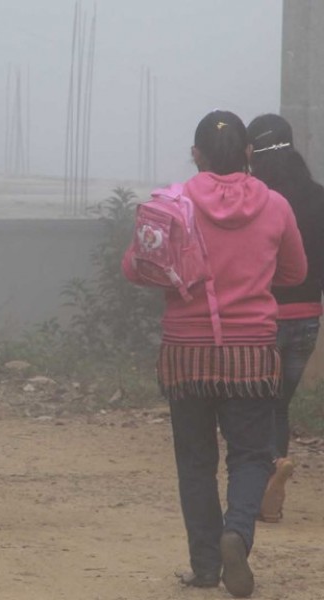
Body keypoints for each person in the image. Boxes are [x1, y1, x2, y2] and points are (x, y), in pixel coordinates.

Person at [122, 110, 306, 598]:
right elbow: (295, 273)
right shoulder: (276, 206)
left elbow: (135, 268)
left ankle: (205, 566)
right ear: (248, 154)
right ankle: (237, 534)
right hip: (250, 352)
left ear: (196, 156)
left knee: (195, 461)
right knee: (250, 456)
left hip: (185, 353)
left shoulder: (173, 204)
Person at [247, 113, 324, 522]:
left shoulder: (257, 200)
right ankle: (273, 477)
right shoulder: (318, 197)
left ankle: (268, 471)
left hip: (262, 317)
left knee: (256, 406)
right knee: (278, 404)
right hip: (308, 319)